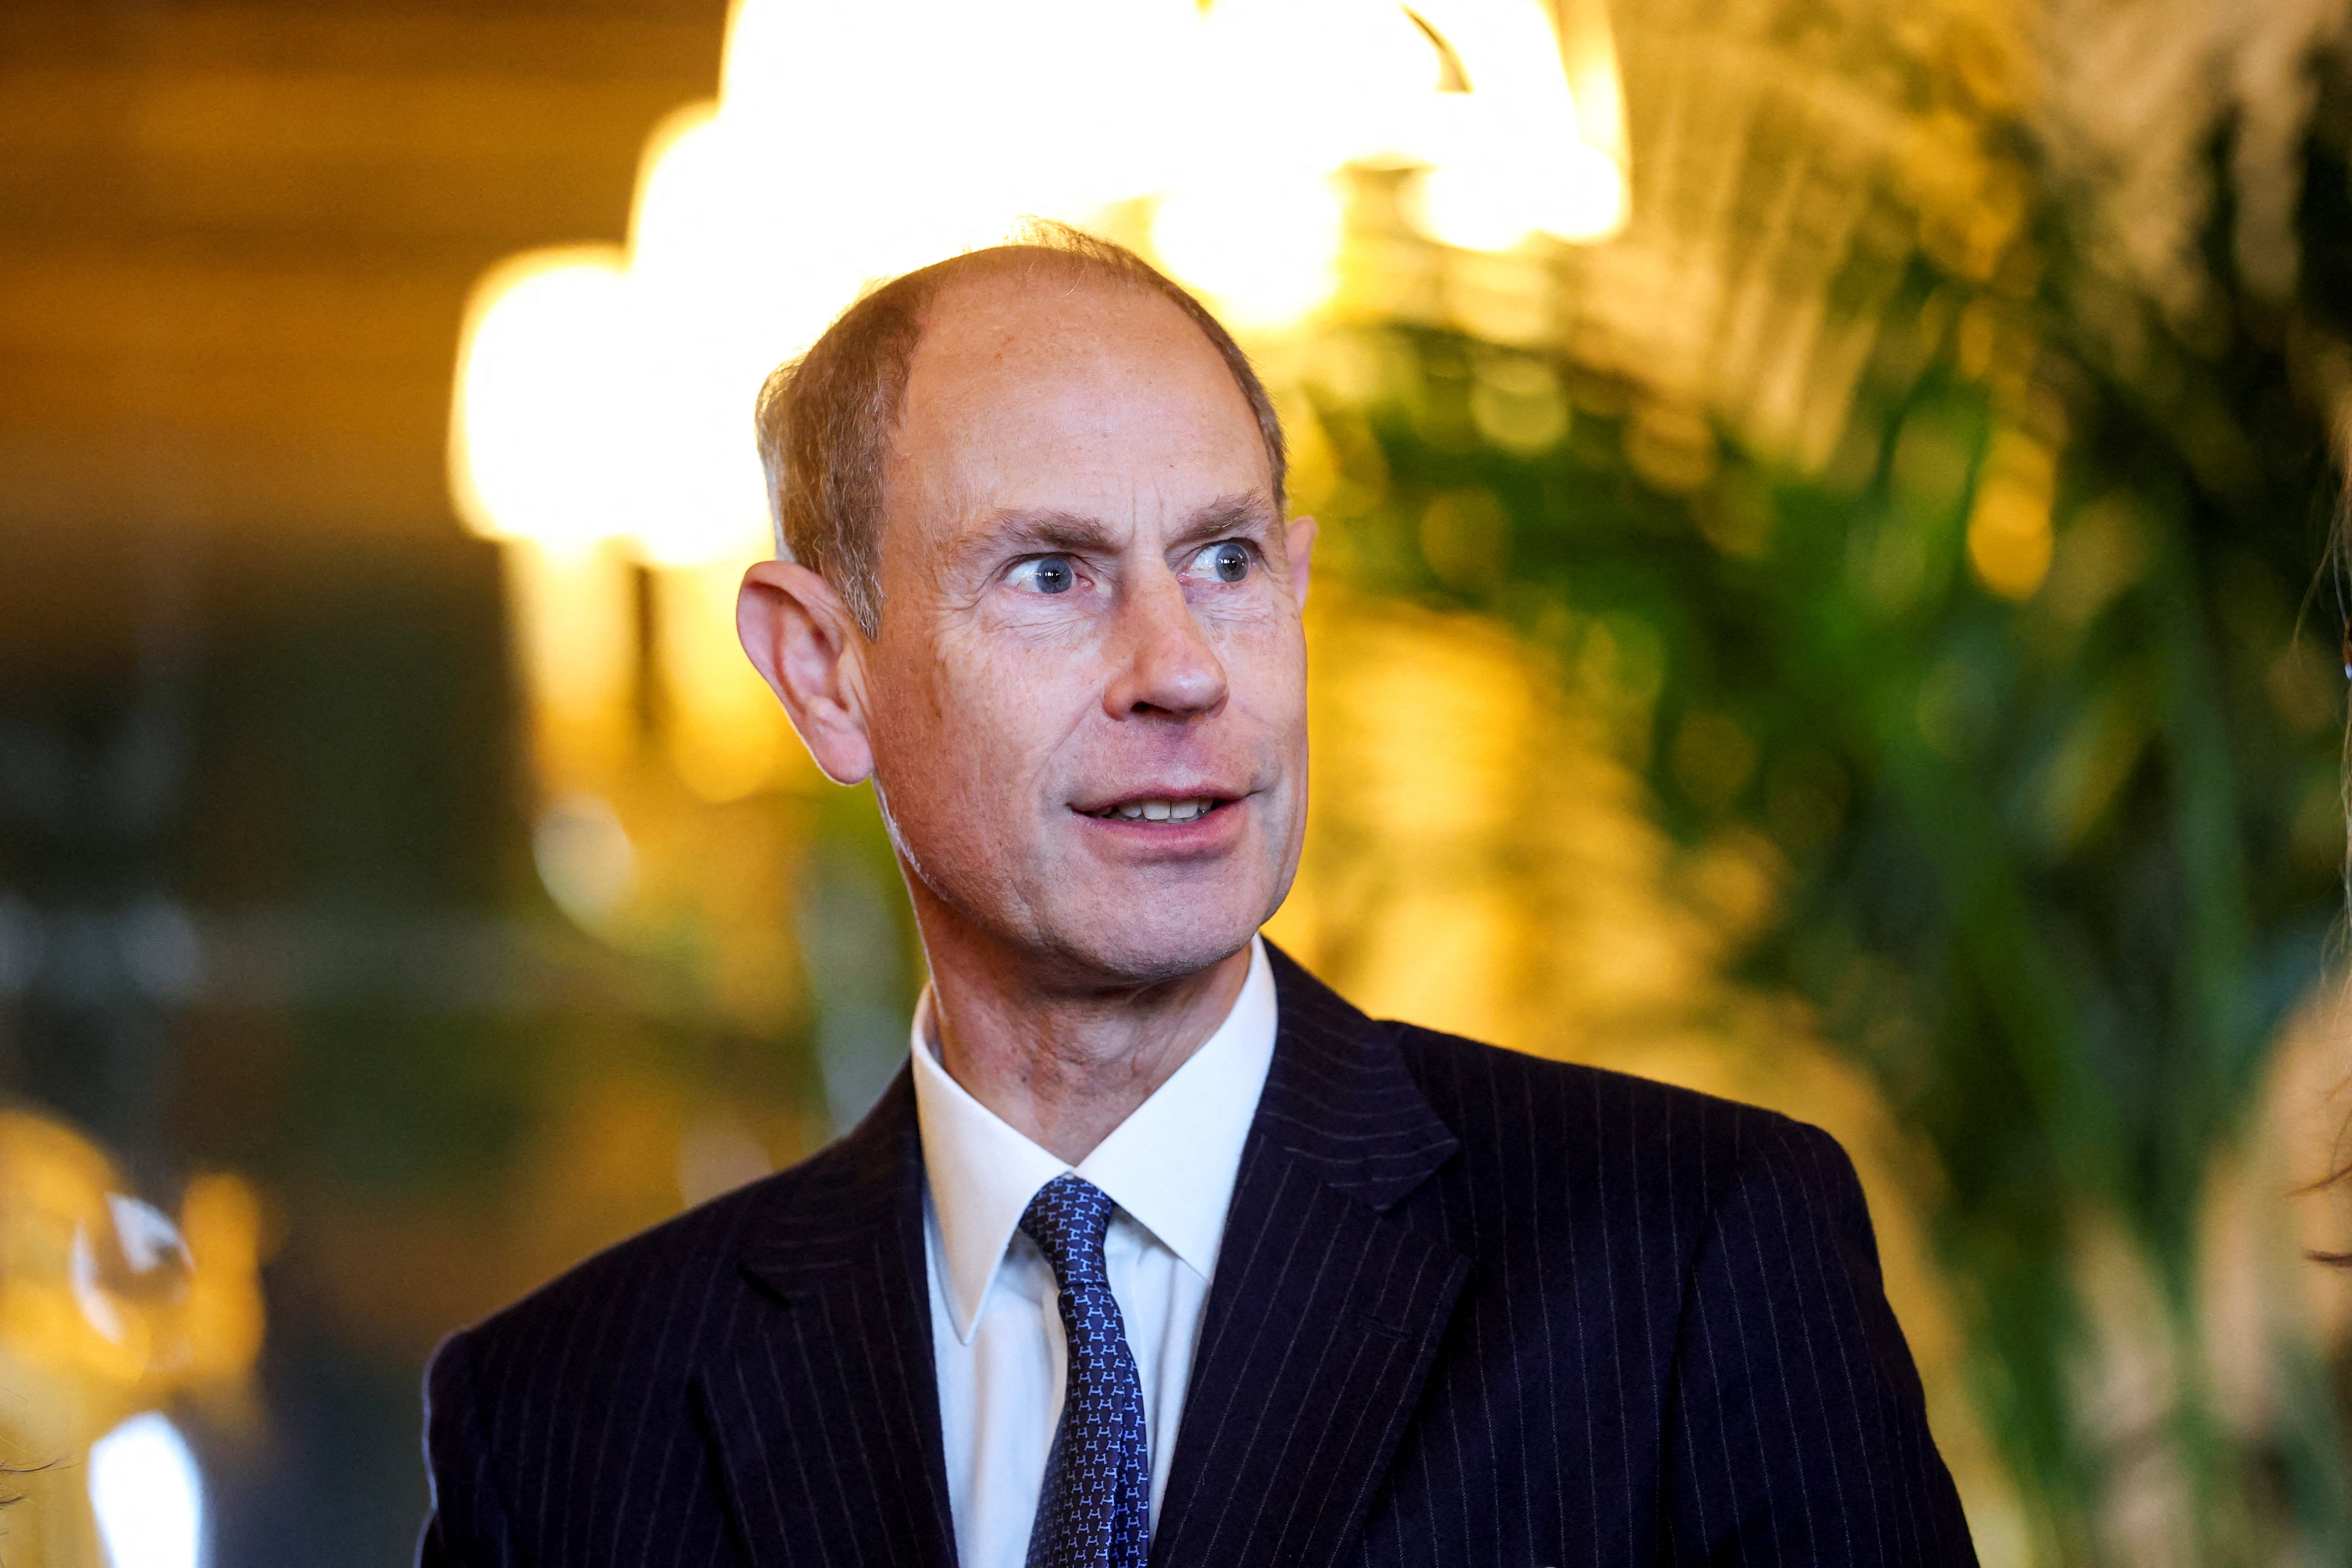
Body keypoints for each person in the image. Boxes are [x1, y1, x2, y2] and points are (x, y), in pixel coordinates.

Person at [417, 227, 1977, 1567]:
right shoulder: (563, 1420)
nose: (1179, 668)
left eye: (1225, 561)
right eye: (1052, 573)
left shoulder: (1686, 1251)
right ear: (825, 673)